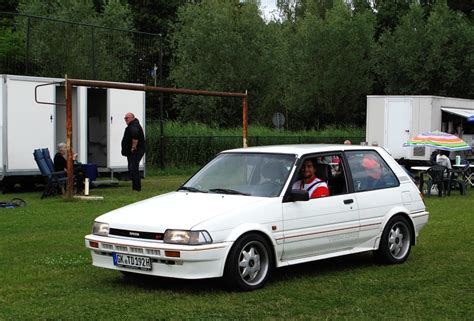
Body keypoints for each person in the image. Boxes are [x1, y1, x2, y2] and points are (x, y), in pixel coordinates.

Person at [121, 112, 145, 191]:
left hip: (135, 151)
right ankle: (135, 187)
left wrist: (133, 147)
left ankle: (136, 188)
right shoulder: (134, 125)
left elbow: (135, 134)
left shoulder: (133, 126)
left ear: (132, 118)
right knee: (132, 168)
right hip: (134, 151)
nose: (125, 119)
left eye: (127, 118)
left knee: (133, 168)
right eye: (125, 118)